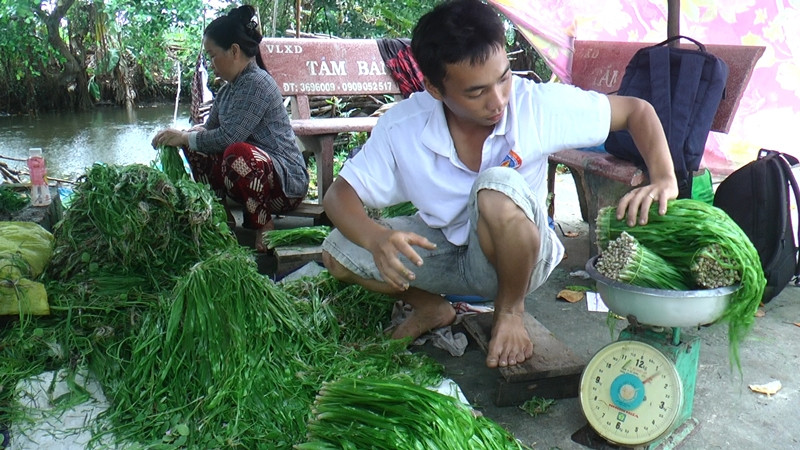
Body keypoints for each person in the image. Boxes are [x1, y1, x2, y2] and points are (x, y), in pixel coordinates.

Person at [320, 0, 678, 368]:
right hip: (448, 251)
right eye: (476, 92)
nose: (498, 101)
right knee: (339, 251)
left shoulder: (535, 105)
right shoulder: (403, 126)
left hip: (522, 260)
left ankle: (510, 313)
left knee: (496, 186)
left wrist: (665, 179)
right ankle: (432, 309)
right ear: (435, 89)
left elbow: (636, 111)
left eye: (504, 78)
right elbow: (339, 195)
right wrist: (375, 238)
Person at [151, 5, 309, 252]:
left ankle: (264, 225)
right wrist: (181, 136)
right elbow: (207, 132)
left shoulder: (257, 83)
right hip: (250, 185)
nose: (211, 63)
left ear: (234, 51)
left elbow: (229, 137)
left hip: (285, 187)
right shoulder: (227, 91)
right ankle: (221, 216)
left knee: (237, 153)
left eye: (213, 55)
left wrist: (183, 137)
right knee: (195, 139)